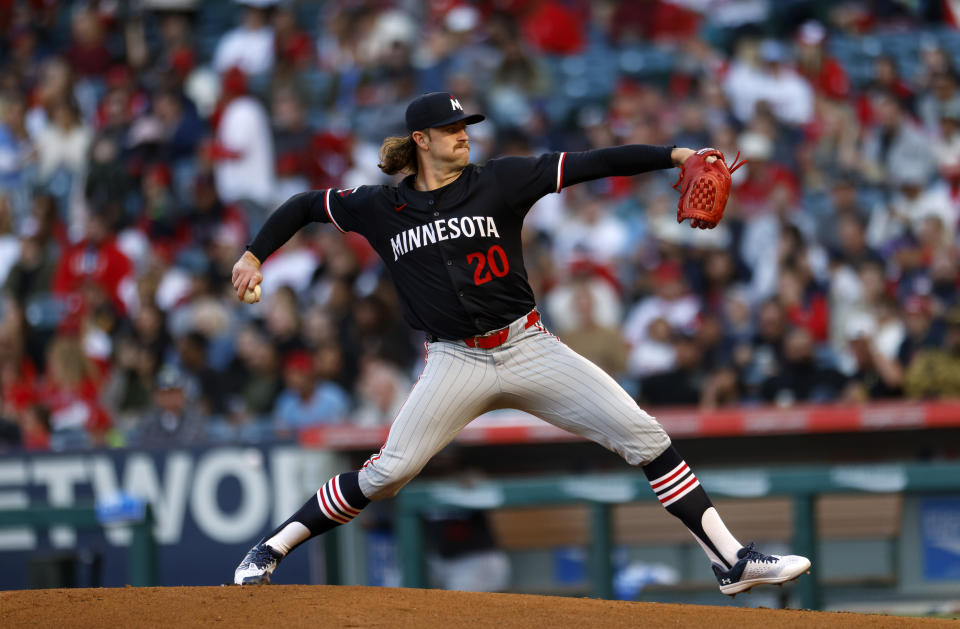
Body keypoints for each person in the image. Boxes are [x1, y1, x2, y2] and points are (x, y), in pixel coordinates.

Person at [231, 92, 810, 595]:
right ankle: (273, 547)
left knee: (645, 435)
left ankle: (731, 559)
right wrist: (256, 254)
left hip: (528, 346)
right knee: (388, 473)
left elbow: (591, 163)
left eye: (466, 128)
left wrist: (675, 156)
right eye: (453, 131)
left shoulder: (499, 180)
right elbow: (305, 205)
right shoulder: (381, 208)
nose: (464, 137)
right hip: (455, 359)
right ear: (421, 140)